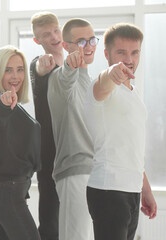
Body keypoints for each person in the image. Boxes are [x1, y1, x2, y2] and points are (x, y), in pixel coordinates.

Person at [84, 23, 157, 240]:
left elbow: (131, 146)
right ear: (107, 54)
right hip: (109, 190)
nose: (129, 59)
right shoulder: (99, 85)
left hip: (131, 190)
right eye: (121, 52)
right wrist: (111, 73)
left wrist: (145, 189)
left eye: (134, 52)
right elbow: (103, 84)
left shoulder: (133, 93)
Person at [0, 46, 41, 240]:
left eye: (19, 69)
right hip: (7, 192)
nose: (15, 76)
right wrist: (4, 99)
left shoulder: (18, 108)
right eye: (8, 70)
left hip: (11, 191)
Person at [47, 18, 97, 240]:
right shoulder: (59, 77)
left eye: (92, 40)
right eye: (81, 41)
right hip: (75, 171)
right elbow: (67, 76)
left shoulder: (94, 83)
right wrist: (69, 65)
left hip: (98, 172)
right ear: (66, 46)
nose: (88, 46)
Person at [29, 11, 63, 240]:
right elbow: (39, 70)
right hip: (49, 153)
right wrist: (44, 67)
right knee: (50, 220)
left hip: (73, 149)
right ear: (37, 40)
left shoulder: (75, 62)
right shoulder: (38, 64)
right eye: (46, 34)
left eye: (56, 30)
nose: (53, 37)